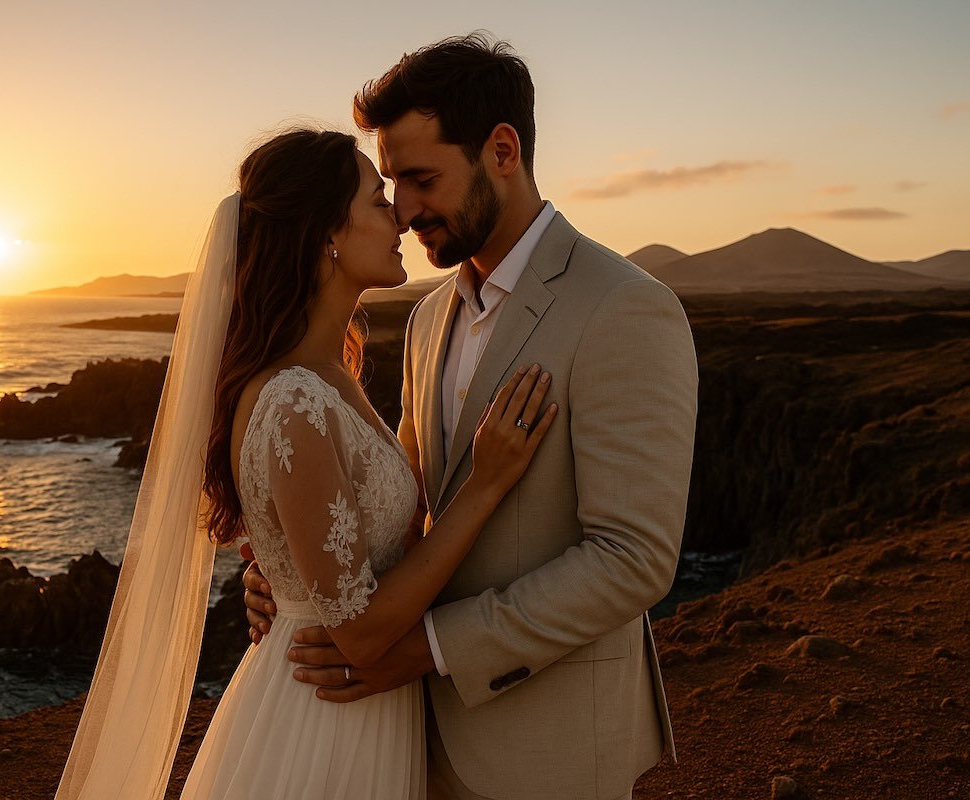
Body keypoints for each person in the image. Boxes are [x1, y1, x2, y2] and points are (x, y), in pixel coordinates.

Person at [242, 33, 700, 800]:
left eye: (422, 179)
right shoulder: (426, 320)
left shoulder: (626, 309)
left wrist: (427, 648)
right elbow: (407, 509)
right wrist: (300, 575)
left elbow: (634, 559)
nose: (404, 209)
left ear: (501, 150)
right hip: (411, 743)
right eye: (389, 184)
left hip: (547, 749)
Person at [53, 126, 557, 800]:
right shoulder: (295, 400)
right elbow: (360, 634)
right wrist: (487, 483)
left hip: (357, 713)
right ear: (327, 235)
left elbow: (334, 550)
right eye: (379, 202)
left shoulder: (331, 374)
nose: (399, 216)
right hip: (320, 729)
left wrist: (281, 579)